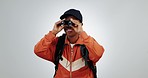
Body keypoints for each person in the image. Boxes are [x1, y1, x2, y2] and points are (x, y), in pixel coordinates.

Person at [34, 9, 104, 78]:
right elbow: (38, 50)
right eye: (66, 22)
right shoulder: (59, 43)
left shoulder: (88, 43)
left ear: (80, 25)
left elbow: (98, 54)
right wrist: (53, 33)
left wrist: (82, 33)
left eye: (73, 22)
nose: (69, 25)